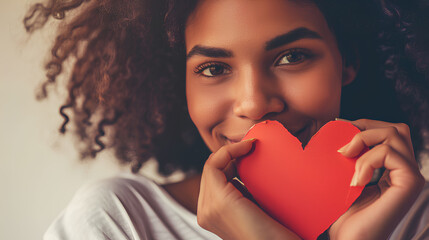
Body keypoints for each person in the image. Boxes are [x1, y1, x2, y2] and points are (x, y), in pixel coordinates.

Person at [24, 0, 429, 239]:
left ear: (348, 62)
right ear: (178, 82)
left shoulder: (409, 214)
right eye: (213, 68)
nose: (253, 104)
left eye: (292, 57)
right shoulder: (120, 220)